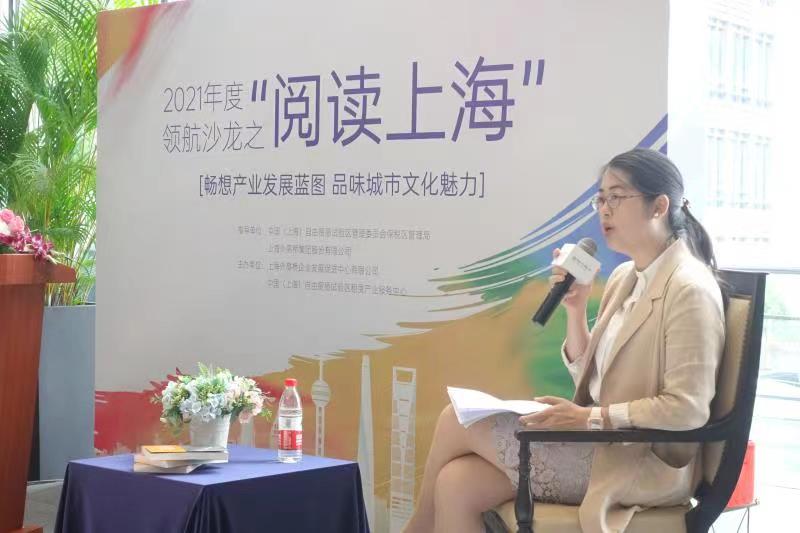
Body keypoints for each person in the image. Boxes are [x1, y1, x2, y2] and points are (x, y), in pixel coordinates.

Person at [402, 148, 727, 533]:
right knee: (457, 484)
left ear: (659, 207)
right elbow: (595, 379)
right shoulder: (624, 277)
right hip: (601, 444)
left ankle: (415, 529)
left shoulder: (689, 289)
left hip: (643, 464)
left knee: (454, 420)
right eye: (600, 199)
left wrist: (591, 418)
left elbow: (687, 409)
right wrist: (575, 309)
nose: (604, 210)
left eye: (616, 197)